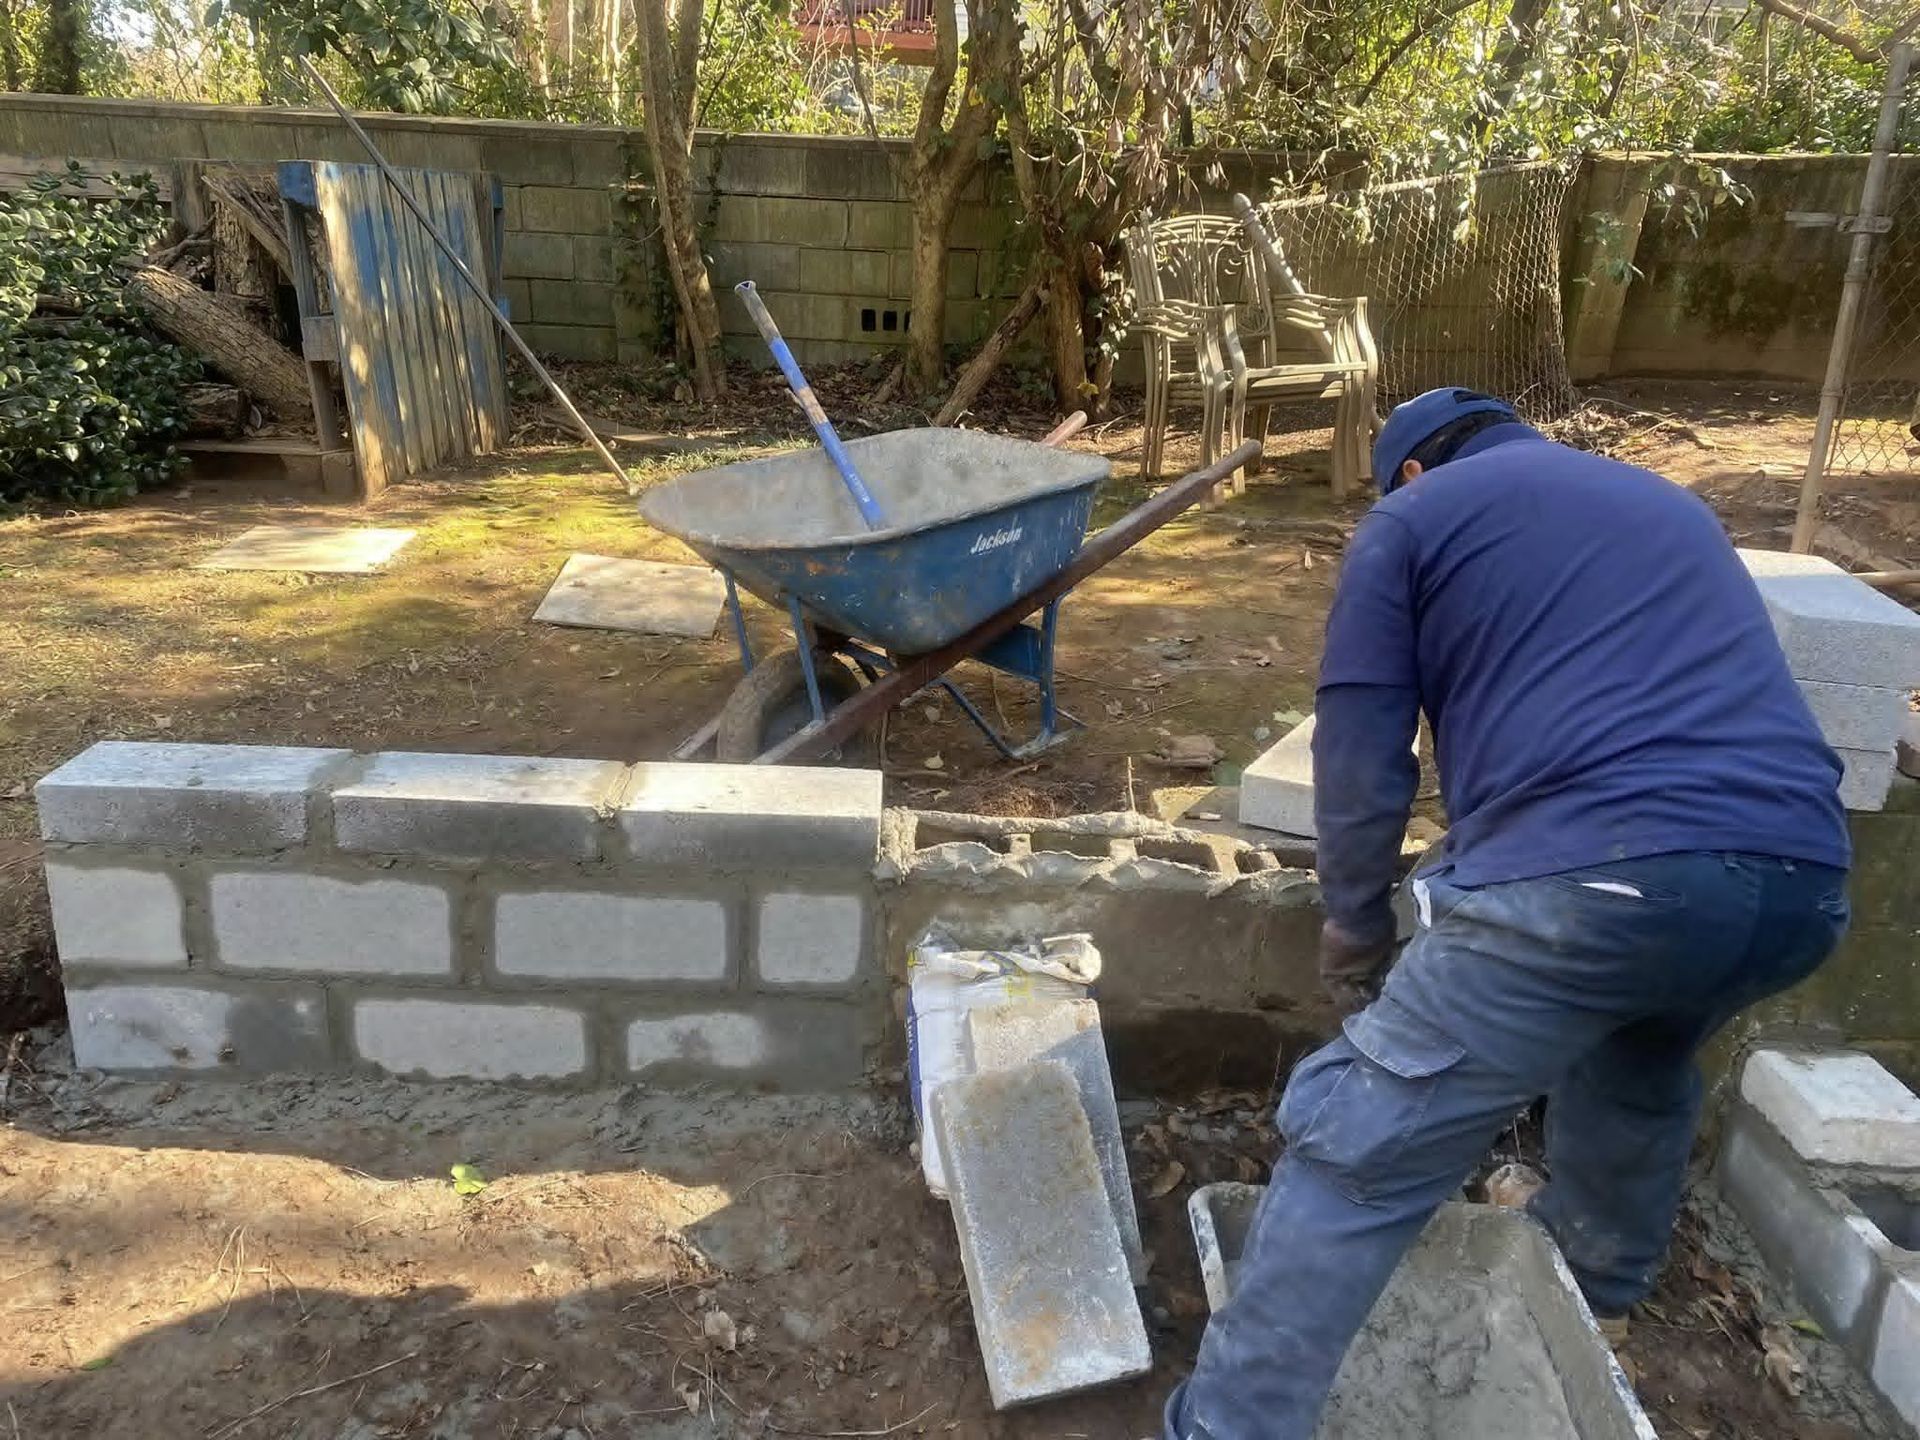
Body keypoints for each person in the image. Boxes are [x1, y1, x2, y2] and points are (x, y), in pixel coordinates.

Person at [1162, 388, 1853, 1439]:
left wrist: (1354, 924)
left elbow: (1360, 747)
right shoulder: (1666, 504)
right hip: (1800, 882)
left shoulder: (1412, 520)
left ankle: (1225, 1427)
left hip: (1597, 880)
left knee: (1359, 1153)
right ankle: (1594, 1292)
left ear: (1410, 472)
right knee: (1642, 1055)